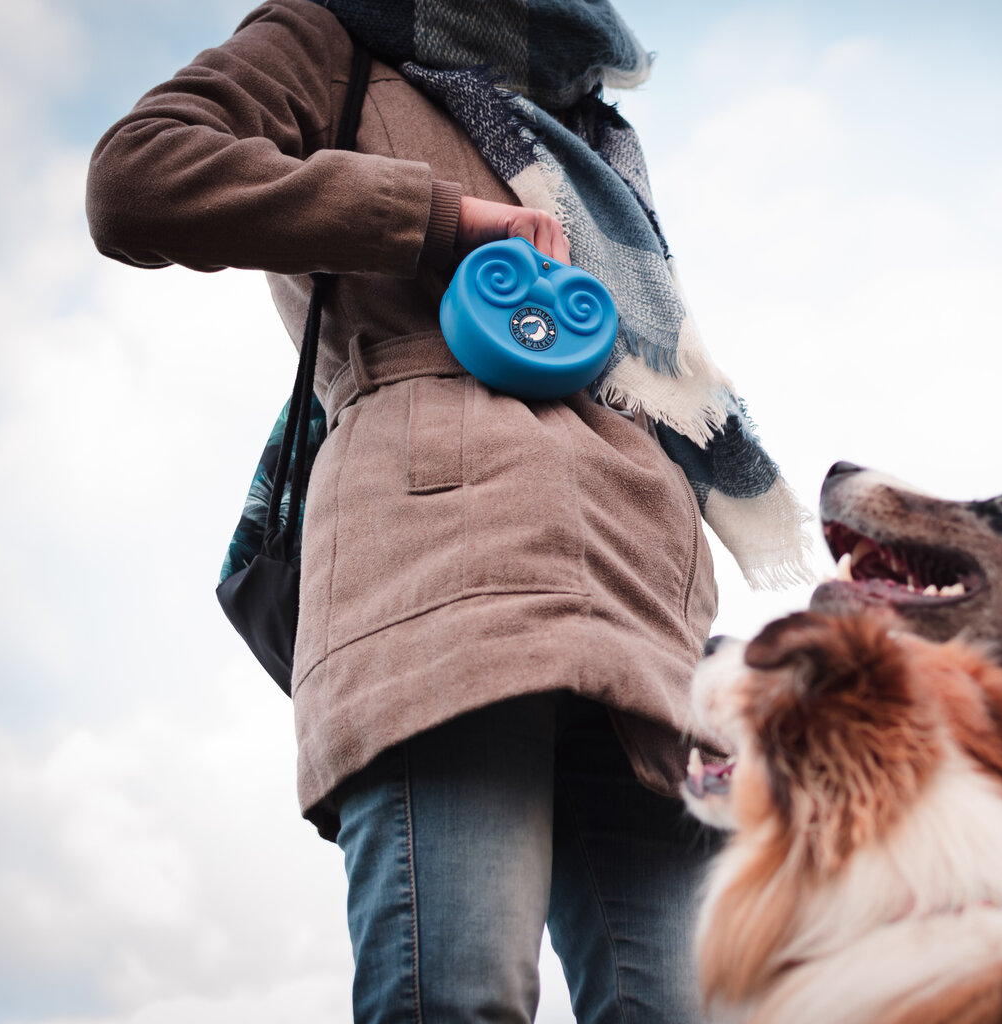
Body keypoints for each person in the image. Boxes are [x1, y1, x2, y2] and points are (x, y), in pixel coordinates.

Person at [85, 2, 812, 1022]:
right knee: (460, 995)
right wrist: (440, 221)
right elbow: (137, 177)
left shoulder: (585, 109)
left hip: (643, 599)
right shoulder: (330, 35)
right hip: (445, 561)